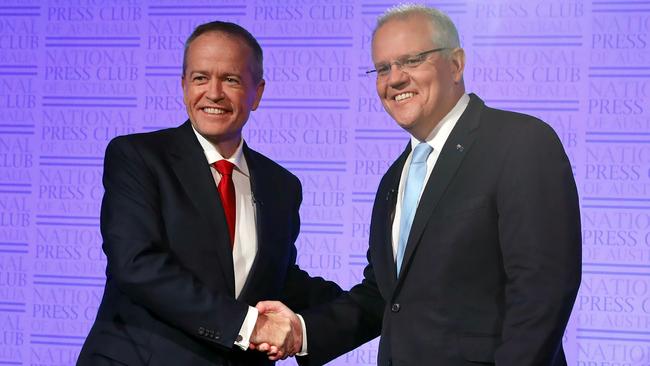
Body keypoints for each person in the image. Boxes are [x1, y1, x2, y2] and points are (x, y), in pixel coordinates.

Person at [258, 4, 582, 365]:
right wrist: (304, 332)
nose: (394, 78)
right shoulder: (394, 178)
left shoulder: (519, 142)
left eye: (412, 60)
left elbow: (542, 292)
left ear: (456, 65)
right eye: (383, 68)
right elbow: (385, 297)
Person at [77, 21, 341, 366]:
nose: (213, 93)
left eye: (230, 79)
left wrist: (382, 304)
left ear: (257, 93)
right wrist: (252, 326)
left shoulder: (281, 185)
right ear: (184, 85)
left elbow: (276, 281)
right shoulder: (138, 157)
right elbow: (136, 265)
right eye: (200, 78)